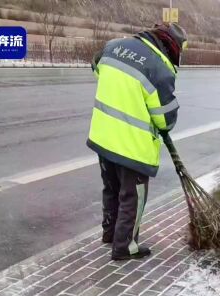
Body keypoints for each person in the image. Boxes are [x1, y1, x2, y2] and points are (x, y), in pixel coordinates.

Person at [87, 23, 187, 260]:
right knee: (133, 197)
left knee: (111, 189)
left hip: (103, 137)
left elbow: (96, 68)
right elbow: (165, 119)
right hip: (132, 147)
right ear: (172, 47)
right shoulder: (158, 69)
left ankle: (110, 234)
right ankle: (125, 246)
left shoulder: (114, 46)